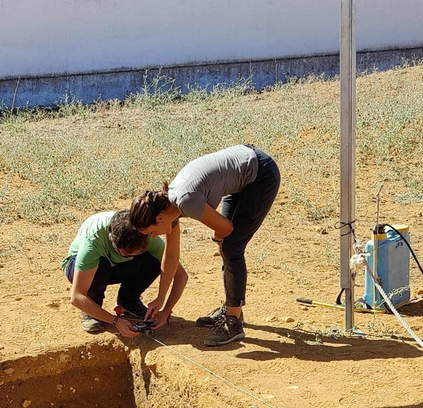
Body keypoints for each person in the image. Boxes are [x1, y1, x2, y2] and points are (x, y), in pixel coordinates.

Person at [128, 144, 281, 348]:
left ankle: (233, 322)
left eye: (151, 232)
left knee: (231, 247)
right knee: (227, 246)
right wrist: (161, 300)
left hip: (260, 174)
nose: (154, 236)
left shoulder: (186, 201)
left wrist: (220, 240)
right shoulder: (170, 208)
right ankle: (231, 307)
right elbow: (171, 256)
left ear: (159, 218)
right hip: (243, 172)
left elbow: (226, 229)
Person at [63, 209, 188, 339]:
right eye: (127, 254)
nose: (131, 259)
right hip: (80, 267)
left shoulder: (147, 235)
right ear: (112, 240)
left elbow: (181, 275)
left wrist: (165, 308)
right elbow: (77, 296)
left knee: (159, 260)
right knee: (103, 264)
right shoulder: (94, 242)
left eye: (137, 253)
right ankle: (92, 309)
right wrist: (115, 320)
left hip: (115, 267)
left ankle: (128, 301)